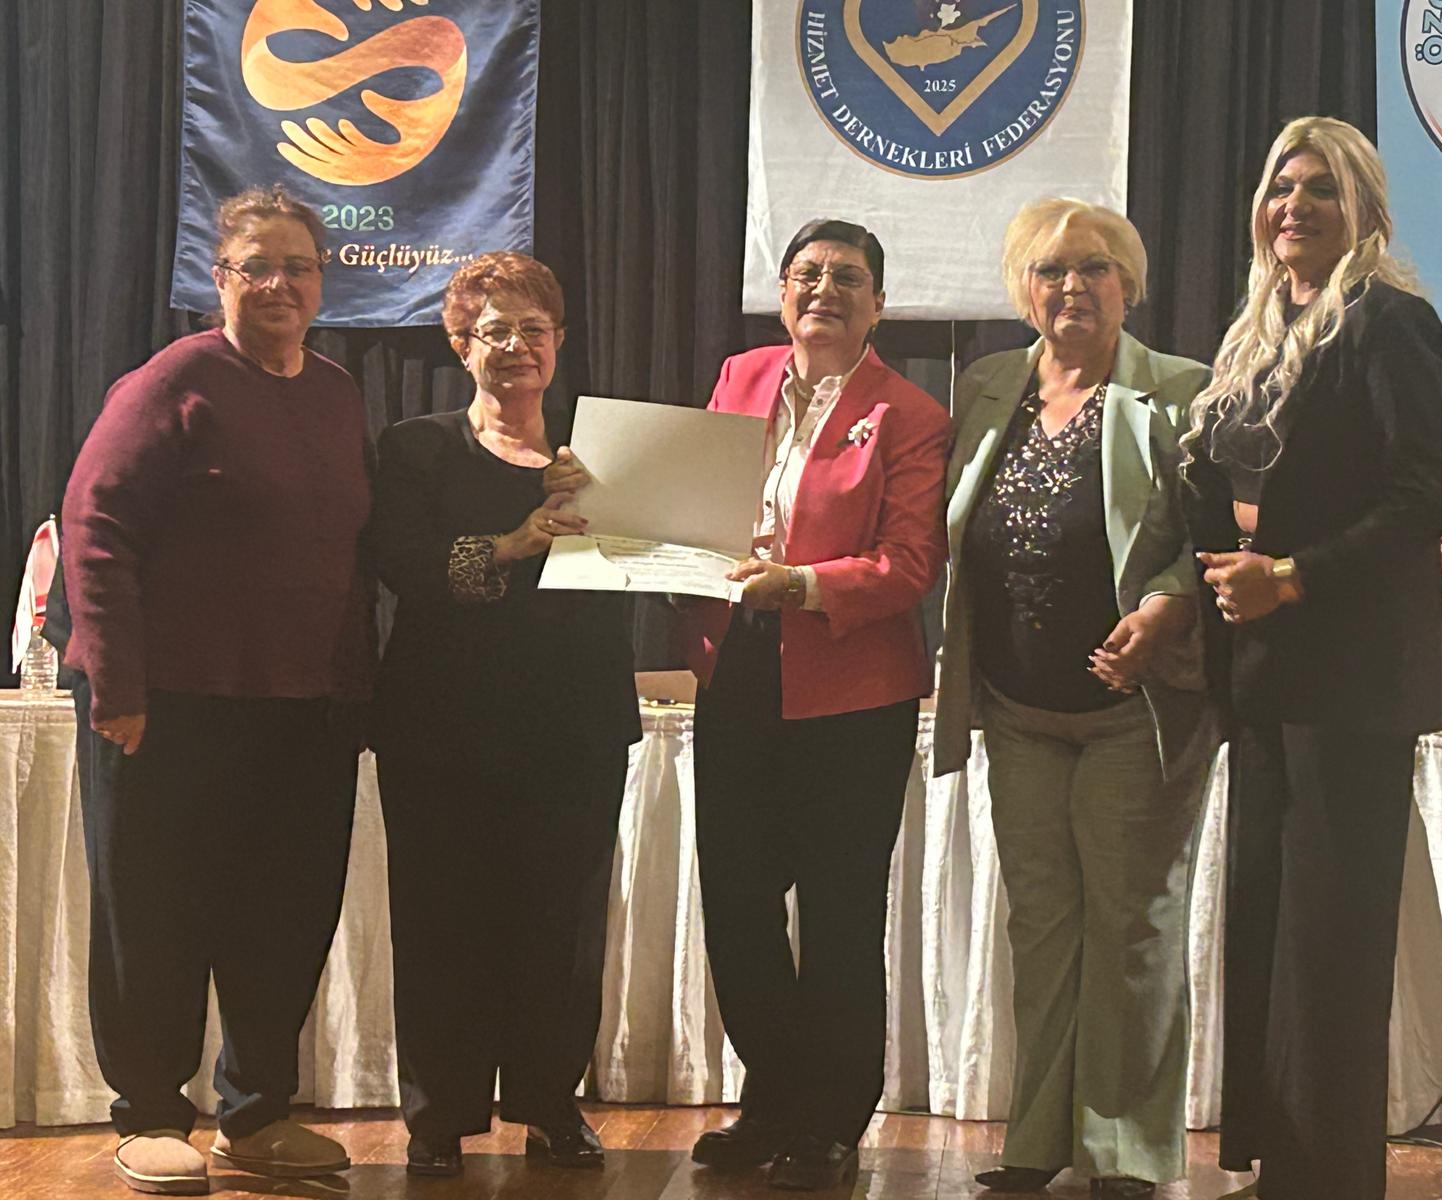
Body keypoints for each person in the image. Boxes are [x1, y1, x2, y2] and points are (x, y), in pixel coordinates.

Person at [60, 184, 372, 1195]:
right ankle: (151, 1112)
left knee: (281, 920)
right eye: (257, 266)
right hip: (167, 707)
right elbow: (95, 531)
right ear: (220, 278)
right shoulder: (173, 381)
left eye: (298, 267)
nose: (280, 284)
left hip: (302, 712)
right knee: (157, 913)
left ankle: (256, 1113)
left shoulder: (336, 392)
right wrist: (117, 684)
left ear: (322, 283)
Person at [1181, 117, 1442, 1200]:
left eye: (1321, 189)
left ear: (1364, 210)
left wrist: (1292, 576)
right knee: (1269, 925)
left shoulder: (1390, 320)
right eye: (1281, 186)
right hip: (1259, 671)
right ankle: (1279, 1160)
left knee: (1332, 942)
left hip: (1351, 680)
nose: (1294, 205)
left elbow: (1418, 499)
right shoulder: (1254, 334)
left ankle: (1334, 1176)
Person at [932, 198, 1212, 1198]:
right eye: (1049, 270)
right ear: (1023, 290)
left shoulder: (1180, 391)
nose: (1071, 287)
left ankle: (1124, 1151)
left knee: (1132, 925)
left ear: (1129, 285)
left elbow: (1214, 537)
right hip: (1016, 710)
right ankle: (1038, 1140)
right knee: (1041, 926)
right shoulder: (987, 386)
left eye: (1094, 267)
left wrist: (1169, 602)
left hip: (1134, 713)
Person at [679, 219, 951, 1190]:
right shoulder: (739, 377)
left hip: (852, 692)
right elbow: (693, 506)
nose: (823, 290)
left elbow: (910, 565)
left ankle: (830, 1118)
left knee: (837, 914)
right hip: (736, 671)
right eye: (806, 274)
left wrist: (798, 585)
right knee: (737, 905)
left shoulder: (910, 414)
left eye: (846, 277)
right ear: (781, 290)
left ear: (878, 303)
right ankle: (773, 1099)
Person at [368, 252, 639, 1177]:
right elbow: (406, 567)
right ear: (460, 346)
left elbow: (656, 559)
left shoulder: (603, 458)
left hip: (576, 727)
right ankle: (439, 1116)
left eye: (534, 329)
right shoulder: (416, 448)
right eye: (494, 331)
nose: (517, 346)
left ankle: (549, 1104)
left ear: (559, 342)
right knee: (442, 924)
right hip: (440, 732)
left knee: (562, 930)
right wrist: (517, 540)